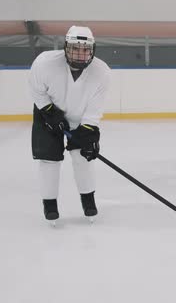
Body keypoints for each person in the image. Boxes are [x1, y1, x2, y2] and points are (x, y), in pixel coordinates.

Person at [28, 25, 110, 224]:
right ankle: (50, 205)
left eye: (85, 50)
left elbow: (95, 107)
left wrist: (89, 131)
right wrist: (49, 112)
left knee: (83, 158)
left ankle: (88, 202)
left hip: (80, 118)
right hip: (48, 113)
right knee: (49, 160)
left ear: (92, 50)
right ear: (66, 47)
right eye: (75, 48)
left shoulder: (102, 72)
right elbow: (36, 89)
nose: (80, 54)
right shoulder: (45, 63)